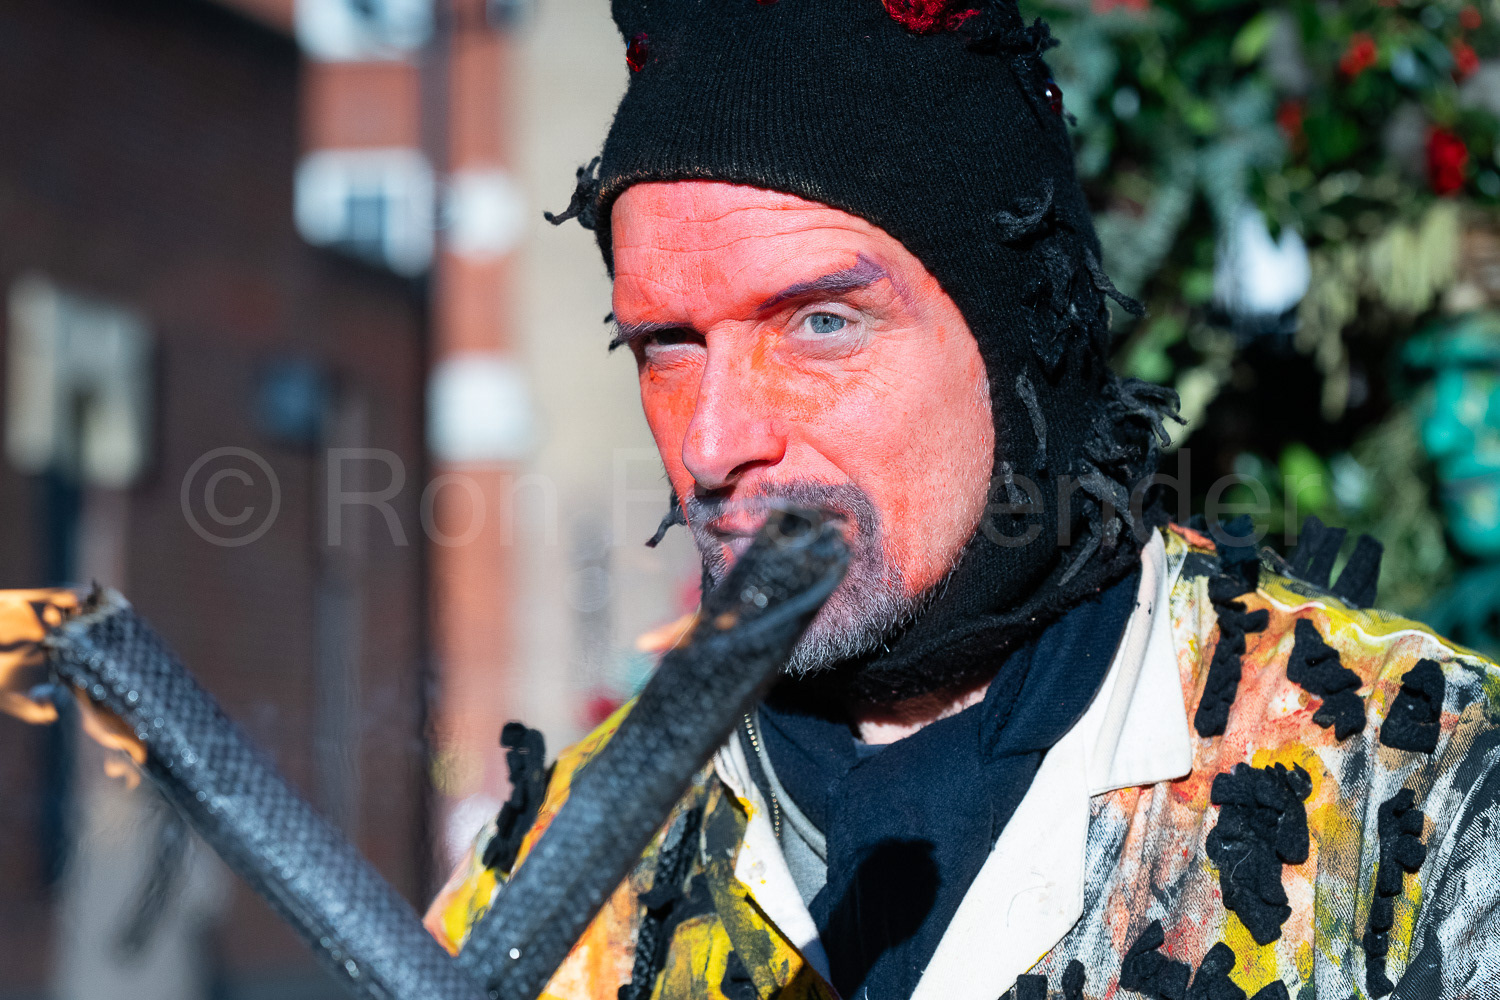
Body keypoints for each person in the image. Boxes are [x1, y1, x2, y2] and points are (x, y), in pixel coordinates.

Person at [426, 0, 1500, 996]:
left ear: (1019, 345)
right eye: (666, 345)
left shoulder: (1417, 794)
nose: (712, 443)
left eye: (822, 323)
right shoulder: (557, 876)